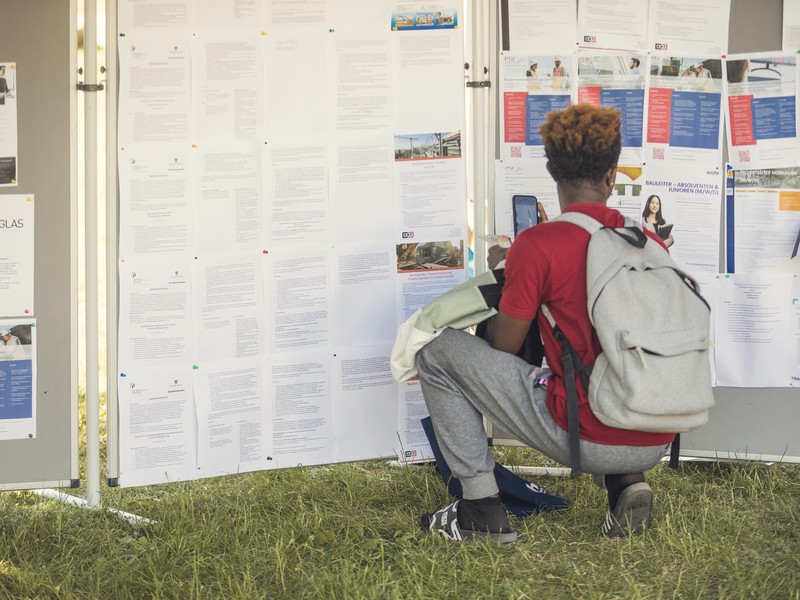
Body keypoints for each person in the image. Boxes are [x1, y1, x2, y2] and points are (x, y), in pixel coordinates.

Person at [416, 104, 674, 543]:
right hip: (655, 434)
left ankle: (479, 506)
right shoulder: (646, 241)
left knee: (435, 354)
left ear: (552, 171)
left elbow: (502, 347)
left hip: (590, 434)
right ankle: (627, 482)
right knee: (604, 353)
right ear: (612, 175)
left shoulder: (538, 244)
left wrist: (512, 271)